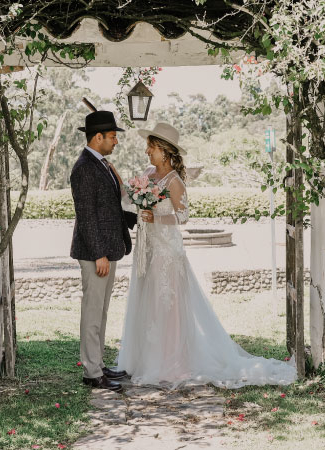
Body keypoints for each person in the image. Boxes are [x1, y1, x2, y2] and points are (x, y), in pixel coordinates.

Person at [116, 122, 297, 389]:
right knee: (147, 301)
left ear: (164, 152)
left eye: (151, 147)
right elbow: (130, 199)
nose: (147, 152)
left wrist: (154, 216)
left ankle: (169, 362)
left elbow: (183, 217)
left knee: (167, 305)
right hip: (148, 249)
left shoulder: (174, 181)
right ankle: (145, 359)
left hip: (167, 252)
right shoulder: (147, 174)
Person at [69, 110, 138, 392]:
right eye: (112, 137)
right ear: (98, 137)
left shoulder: (103, 165)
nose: (115, 142)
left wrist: (143, 220)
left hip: (108, 250)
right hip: (94, 254)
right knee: (92, 312)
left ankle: (98, 364)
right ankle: (92, 372)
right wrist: (98, 253)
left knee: (102, 312)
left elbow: (109, 210)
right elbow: (86, 215)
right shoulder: (84, 167)